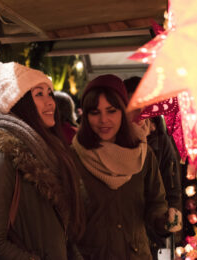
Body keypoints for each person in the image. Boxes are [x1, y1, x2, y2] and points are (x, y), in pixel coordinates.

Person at [0, 61, 84, 260]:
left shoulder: (45, 148)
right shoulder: (1, 155)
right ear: (18, 103)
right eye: (39, 94)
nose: (50, 102)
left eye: (49, 93)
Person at [72, 74, 168, 260]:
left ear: (123, 112)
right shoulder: (73, 158)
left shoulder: (143, 154)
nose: (104, 120)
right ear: (85, 115)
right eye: (95, 112)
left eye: (111, 110)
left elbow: (156, 202)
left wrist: (163, 221)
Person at [124, 76, 182, 255]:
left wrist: (170, 230)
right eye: (132, 106)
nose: (139, 113)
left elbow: (172, 190)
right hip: (125, 233)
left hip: (156, 233)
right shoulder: (114, 141)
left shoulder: (161, 140)